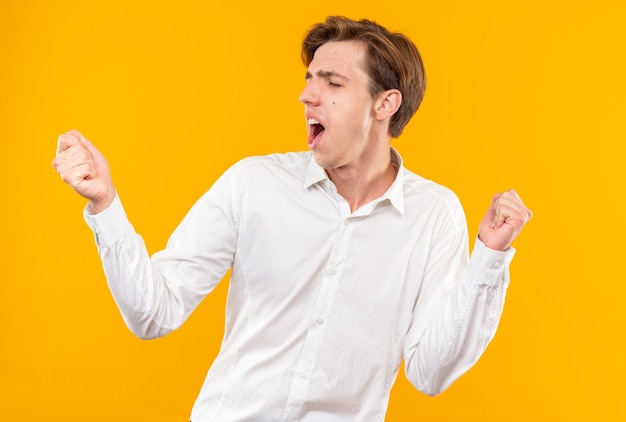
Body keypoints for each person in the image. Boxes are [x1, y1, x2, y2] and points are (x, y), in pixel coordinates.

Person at [53, 16, 532, 422]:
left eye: (333, 82)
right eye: (309, 78)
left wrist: (489, 259)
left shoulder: (434, 214)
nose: (307, 96)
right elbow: (154, 312)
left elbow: (429, 374)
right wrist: (104, 204)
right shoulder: (254, 183)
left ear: (385, 104)